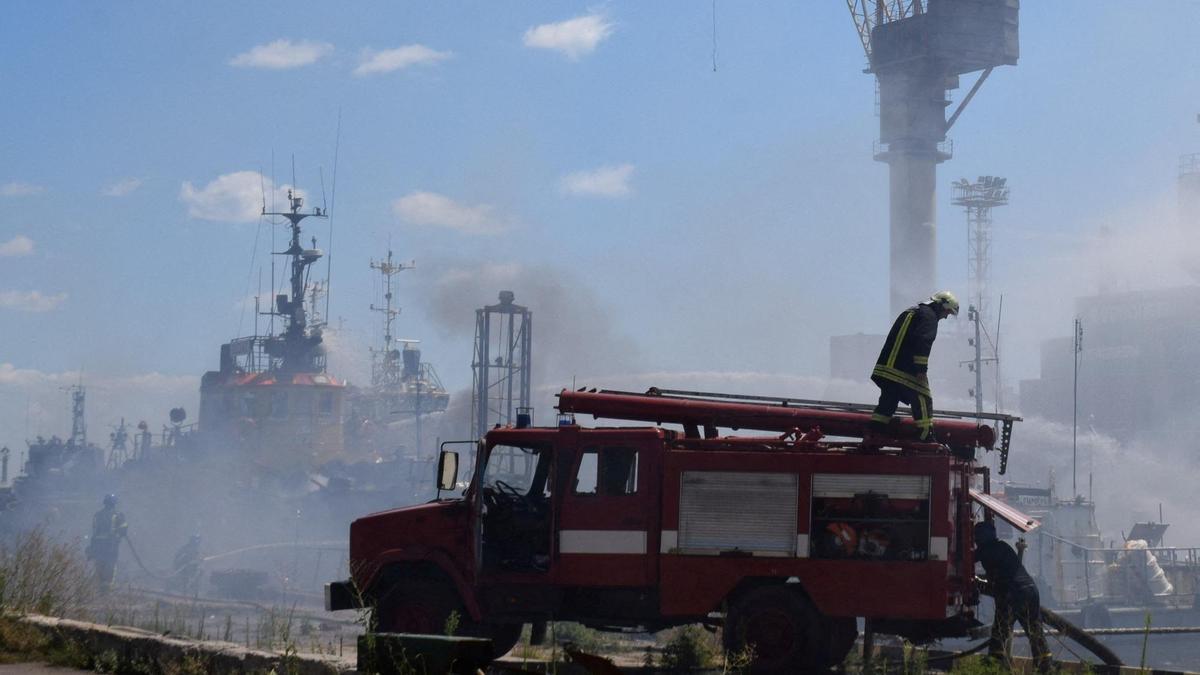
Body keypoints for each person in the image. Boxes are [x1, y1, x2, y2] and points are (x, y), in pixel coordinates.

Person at [869, 291, 959, 441]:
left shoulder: (912, 311)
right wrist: (921, 370)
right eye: (947, 312)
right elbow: (923, 342)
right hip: (904, 369)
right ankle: (926, 436)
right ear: (941, 305)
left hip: (886, 367)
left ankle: (875, 430)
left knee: (889, 399)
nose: (946, 316)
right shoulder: (929, 317)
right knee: (923, 396)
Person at [974, 520, 1052, 673]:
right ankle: (1045, 667)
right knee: (1035, 633)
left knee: (1000, 633)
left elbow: (966, 560)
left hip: (1012, 593)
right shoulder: (1003, 546)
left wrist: (973, 580)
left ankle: (995, 668)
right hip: (1031, 590)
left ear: (979, 538)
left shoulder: (984, 551)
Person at [86, 494, 127, 591]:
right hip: (111, 545)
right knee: (110, 564)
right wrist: (118, 535)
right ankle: (107, 586)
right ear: (114, 503)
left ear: (105, 503)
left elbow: (94, 531)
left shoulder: (97, 515)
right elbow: (123, 530)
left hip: (98, 545)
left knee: (100, 564)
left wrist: (92, 547)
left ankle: (100, 585)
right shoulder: (118, 515)